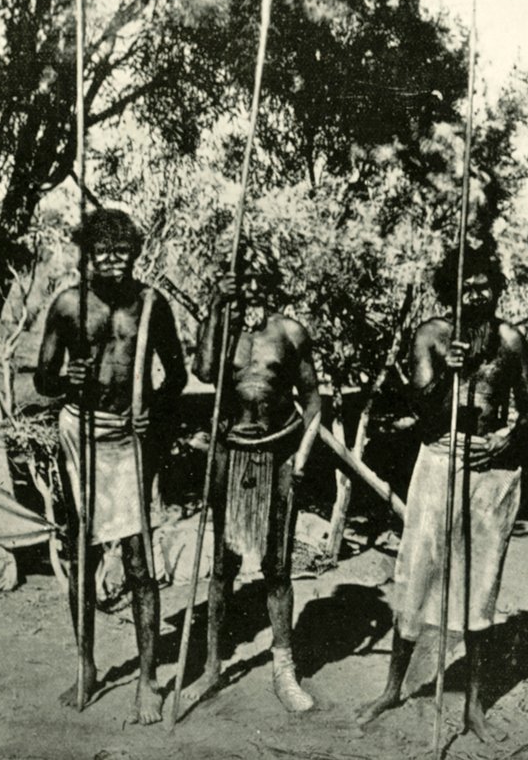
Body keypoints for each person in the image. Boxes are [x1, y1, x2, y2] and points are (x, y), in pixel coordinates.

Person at [356, 244, 528, 741]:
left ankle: (474, 707)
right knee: (417, 573)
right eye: (467, 284)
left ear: (498, 289)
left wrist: (506, 439)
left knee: (480, 588)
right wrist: (448, 375)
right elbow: (421, 409)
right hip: (439, 459)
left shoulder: (511, 341)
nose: (476, 292)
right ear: (451, 290)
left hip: (493, 472)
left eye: (485, 284)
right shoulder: (431, 336)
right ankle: (394, 687)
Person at [35, 208, 188, 724]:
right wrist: (67, 378)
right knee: (82, 550)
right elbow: (43, 380)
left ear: (134, 254)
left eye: (122, 251)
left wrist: (155, 413)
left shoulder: (150, 306)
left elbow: (178, 377)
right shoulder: (67, 306)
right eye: (102, 251)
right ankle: (86, 665)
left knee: (139, 558)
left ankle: (147, 681)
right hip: (80, 432)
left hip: (128, 437)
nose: (112, 260)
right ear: (87, 255)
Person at [186, 243, 322, 712]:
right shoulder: (220, 331)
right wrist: (215, 309)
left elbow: (314, 400)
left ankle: (284, 670)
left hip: (279, 452)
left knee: (278, 566)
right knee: (222, 565)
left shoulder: (288, 332)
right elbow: (203, 371)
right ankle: (210, 667)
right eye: (240, 280)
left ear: (270, 282)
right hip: (230, 452)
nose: (250, 289)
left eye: (257, 280)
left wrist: (302, 455)